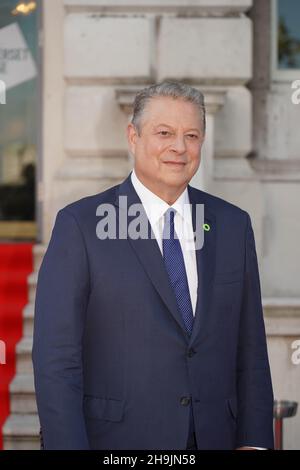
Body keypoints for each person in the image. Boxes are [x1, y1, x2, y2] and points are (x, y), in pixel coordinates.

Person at [32, 81, 274, 450]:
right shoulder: (81, 225)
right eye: (164, 133)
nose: (179, 147)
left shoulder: (232, 225)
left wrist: (255, 442)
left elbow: (251, 349)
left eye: (191, 135)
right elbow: (56, 359)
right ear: (133, 136)